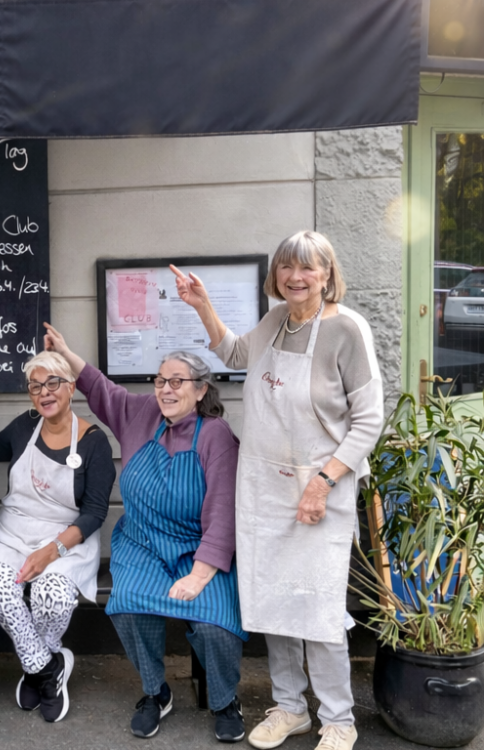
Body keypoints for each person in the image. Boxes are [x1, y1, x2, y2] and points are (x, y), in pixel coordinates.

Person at [171, 230, 384, 750]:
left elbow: (369, 419)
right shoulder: (276, 320)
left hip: (320, 488)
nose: (296, 277)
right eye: (287, 267)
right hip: (264, 486)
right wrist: (202, 307)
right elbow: (235, 351)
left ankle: (338, 718)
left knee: (320, 605)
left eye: (308, 268)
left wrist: (323, 483)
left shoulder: (347, 330)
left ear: (328, 274)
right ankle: (290, 707)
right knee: (274, 602)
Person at [45, 326, 246, 743]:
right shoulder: (142, 414)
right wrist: (65, 352)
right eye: (160, 380)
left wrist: (200, 574)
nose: (166, 389)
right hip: (141, 542)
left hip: (200, 550)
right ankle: (156, 692)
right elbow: (101, 389)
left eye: (177, 381)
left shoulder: (216, 436)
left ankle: (226, 700)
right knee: (128, 606)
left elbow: (223, 511)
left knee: (215, 625)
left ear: (200, 388)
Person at [0, 352, 114, 723]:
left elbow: (95, 512)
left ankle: (37, 666)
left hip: (66, 537)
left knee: (52, 596)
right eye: (36, 387)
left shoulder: (94, 442)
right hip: (13, 532)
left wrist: (52, 550)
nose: (44, 393)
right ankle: (46, 669)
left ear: (71, 387)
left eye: (52, 384)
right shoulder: (27, 424)